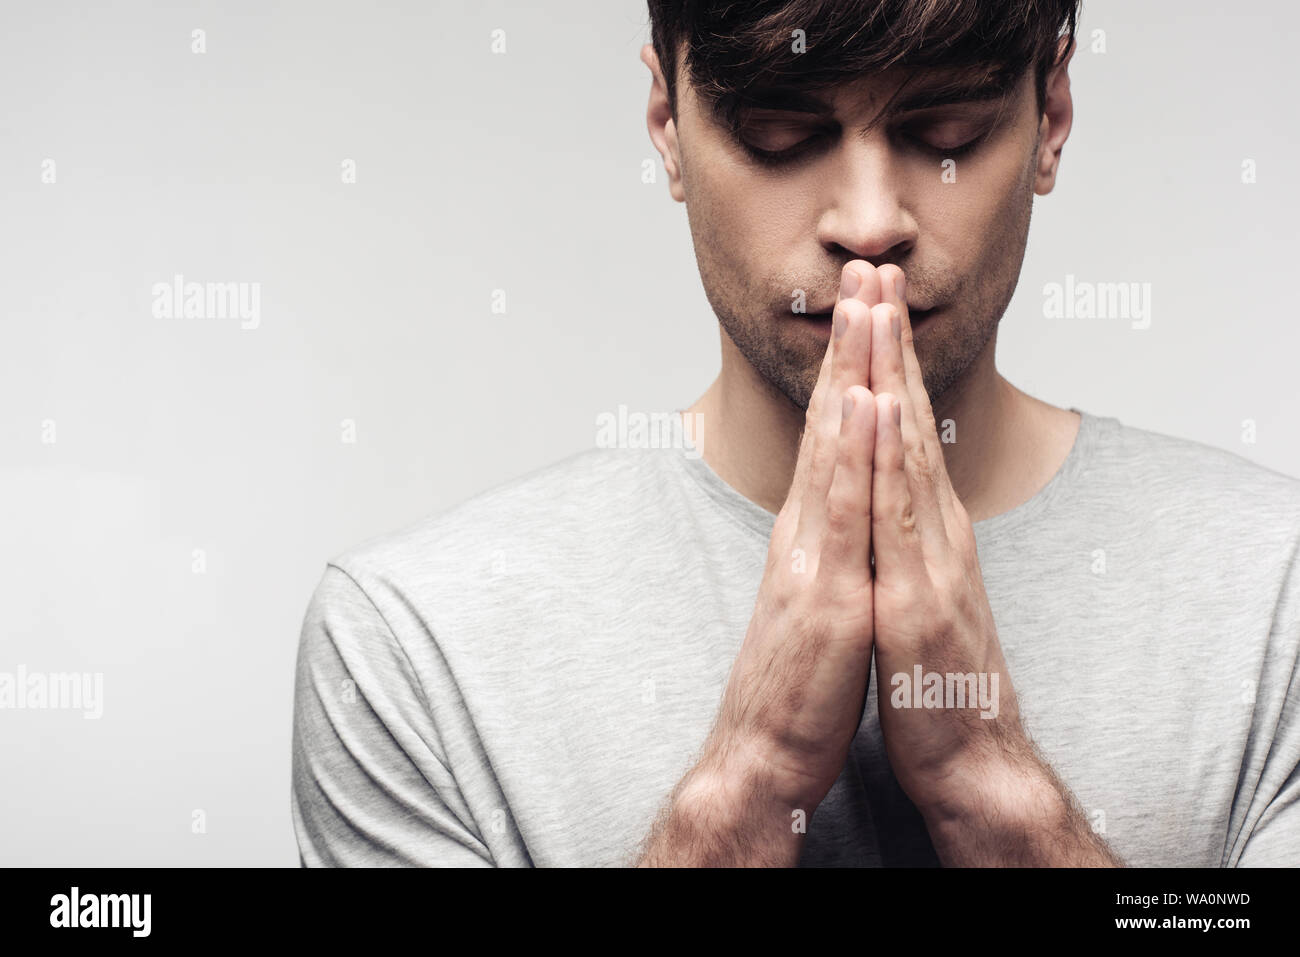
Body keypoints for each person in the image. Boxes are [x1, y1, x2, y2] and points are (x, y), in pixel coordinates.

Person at [290, 0, 1300, 866]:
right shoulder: (409, 647)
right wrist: (746, 786)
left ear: (1052, 117)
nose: (868, 223)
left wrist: (994, 791)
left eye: (945, 127)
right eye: (779, 130)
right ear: (666, 125)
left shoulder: (1277, 596)